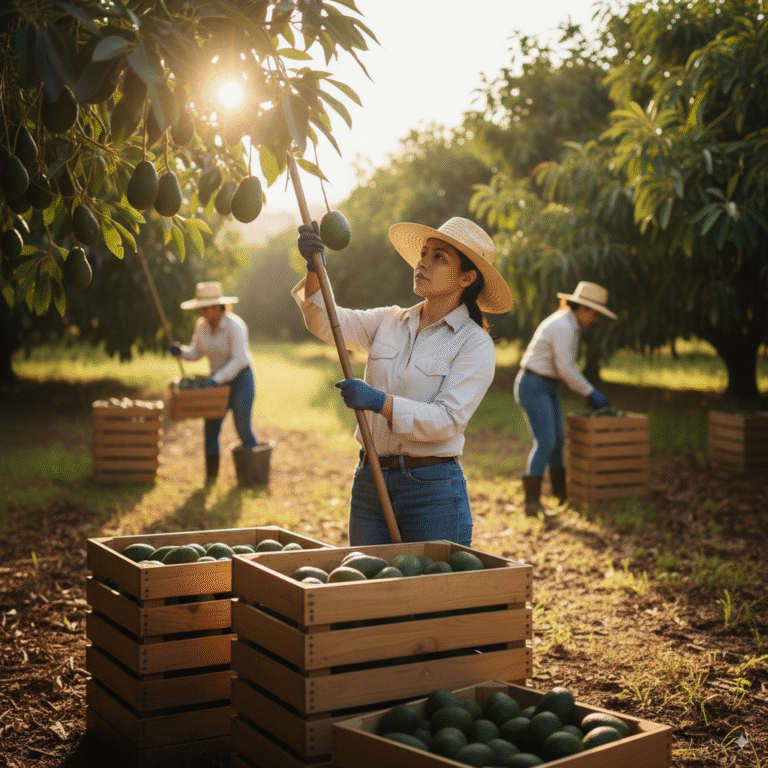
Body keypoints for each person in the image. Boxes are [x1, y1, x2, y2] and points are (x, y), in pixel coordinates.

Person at [293, 216, 513, 546]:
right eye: (424, 253)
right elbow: (327, 322)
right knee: (368, 578)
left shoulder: (473, 343)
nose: (423, 263)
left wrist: (381, 403)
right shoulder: (390, 321)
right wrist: (314, 269)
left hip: (431, 490)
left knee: (433, 581)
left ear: (466, 278)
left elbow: (447, 421)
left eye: (439, 257)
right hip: (370, 481)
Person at [514, 281, 617, 516]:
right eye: (595, 314)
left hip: (547, 385)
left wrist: (588, 392)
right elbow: (566, 368)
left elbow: (563, 369)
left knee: (557, 441)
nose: (596, 320)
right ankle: (532, 504)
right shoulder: (564, 326)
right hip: (533, 385)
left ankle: (560, 497)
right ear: (584, 308)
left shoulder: (570, 324)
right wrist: (591, 393)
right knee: (546, 442)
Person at [170, 281, 259, 482]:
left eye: (205, 308)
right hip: (216, 383)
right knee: (210, 429)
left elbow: (239, 360)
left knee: (243, 429)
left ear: (218, 307)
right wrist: (181, 352)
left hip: (241, 379)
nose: (201, 312)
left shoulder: (235, 326)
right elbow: (196, 352)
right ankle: (211, 479)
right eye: (200, 308)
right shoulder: (201, 327)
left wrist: (216, 379)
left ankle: (253, 477)